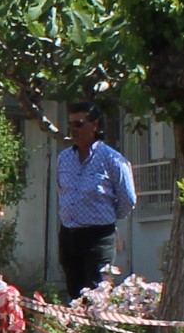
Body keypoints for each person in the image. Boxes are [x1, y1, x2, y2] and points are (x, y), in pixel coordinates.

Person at [53, 106, 135, 305]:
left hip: (98, 237)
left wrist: (106, 218)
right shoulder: (64, 158)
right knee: (74, 295)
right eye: (71, 124)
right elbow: (62, 192)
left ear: (95, 126)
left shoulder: (112, 160)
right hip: (69, 235)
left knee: (95, 295)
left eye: (79, 124)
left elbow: (128, 200)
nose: (74, 129)